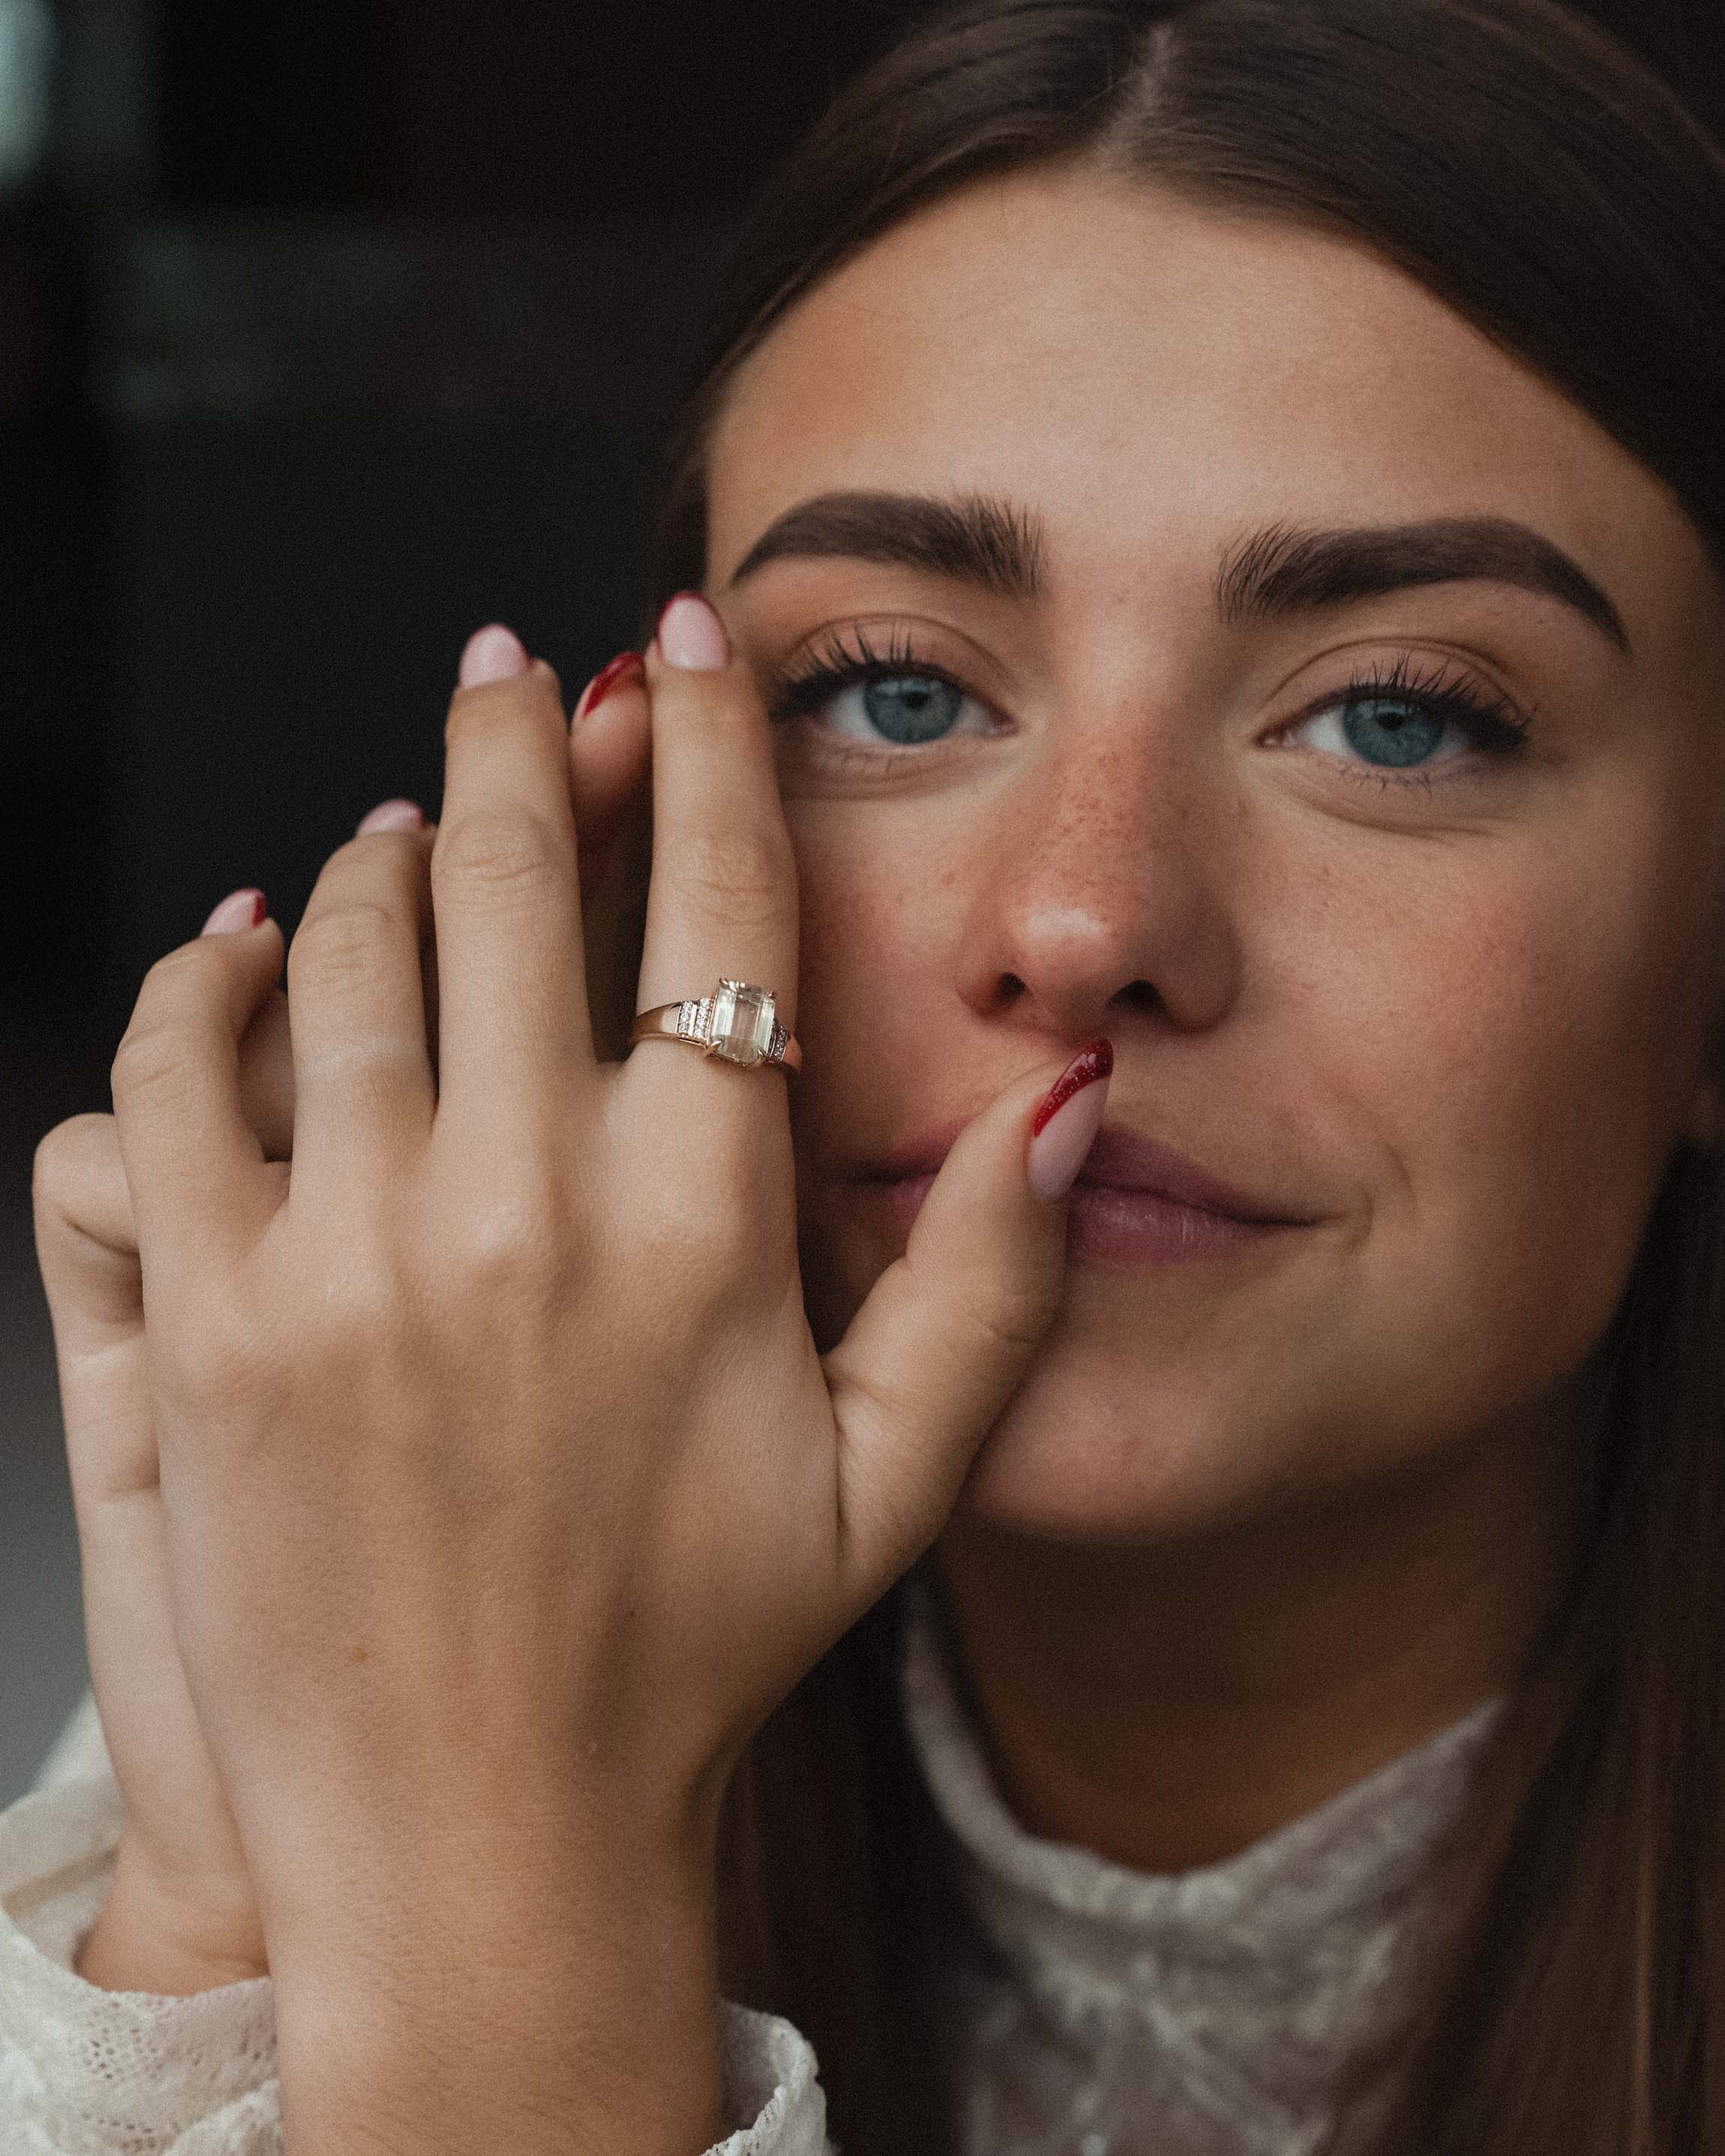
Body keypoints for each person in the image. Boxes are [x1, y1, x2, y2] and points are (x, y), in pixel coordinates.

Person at [7, 0, 1725, 2148]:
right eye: (894, 689)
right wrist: (218, 1907)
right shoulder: (394, 1597)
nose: (1087, 923)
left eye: (1398, 718)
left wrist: (500, 1921)